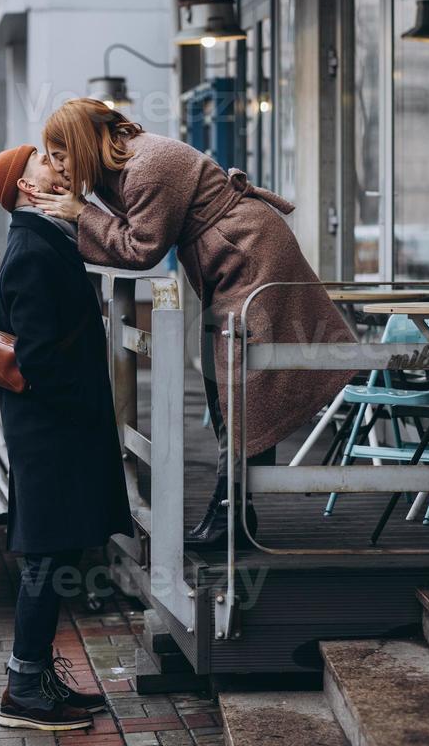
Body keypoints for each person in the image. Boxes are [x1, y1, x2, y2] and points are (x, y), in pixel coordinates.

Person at [27, 99, 356, 549]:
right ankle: (236, 512)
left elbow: (141, 247)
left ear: (83, 144)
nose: (59, 167)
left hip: (249, 255)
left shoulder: (146, 166)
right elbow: (131, 234)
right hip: (234, 258)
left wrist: (80, 214)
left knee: (242, 383)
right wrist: (84, 209)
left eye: (61, 155)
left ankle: (231, 516)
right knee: (231, 384)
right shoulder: (120, 167)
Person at [0, 143, 134, 730]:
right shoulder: (30, 251)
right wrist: (82, 413)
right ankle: (24, 687)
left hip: (56, 429)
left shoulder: (46, 242)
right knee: (46, 554)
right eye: (44, 163)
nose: (58, 166)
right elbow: (41, 358)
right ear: (26, 188)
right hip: (51, 433)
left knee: (58, 548)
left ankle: (37, 675)